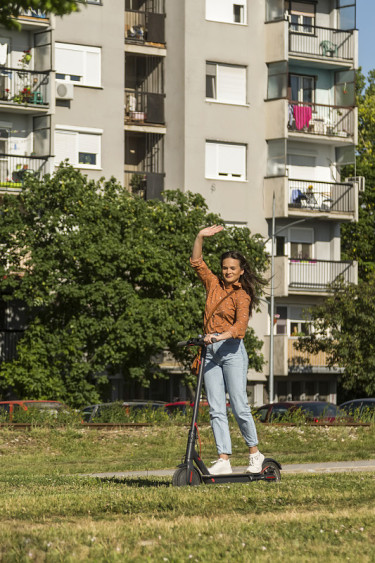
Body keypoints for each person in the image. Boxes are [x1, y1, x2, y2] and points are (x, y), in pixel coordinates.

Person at [190, 225, 265, 475]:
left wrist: (217, 336)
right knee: (215, 407)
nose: (228, 271)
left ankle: (255, 454)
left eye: (233, 268)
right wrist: (200, 236)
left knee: (239, 405)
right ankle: (224, 459)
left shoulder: (242, 295)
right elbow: (197, 262)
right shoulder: (213, 285)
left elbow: (239, 328)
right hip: (210, 352)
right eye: (225, 268)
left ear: (241, 271)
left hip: (231, 351)